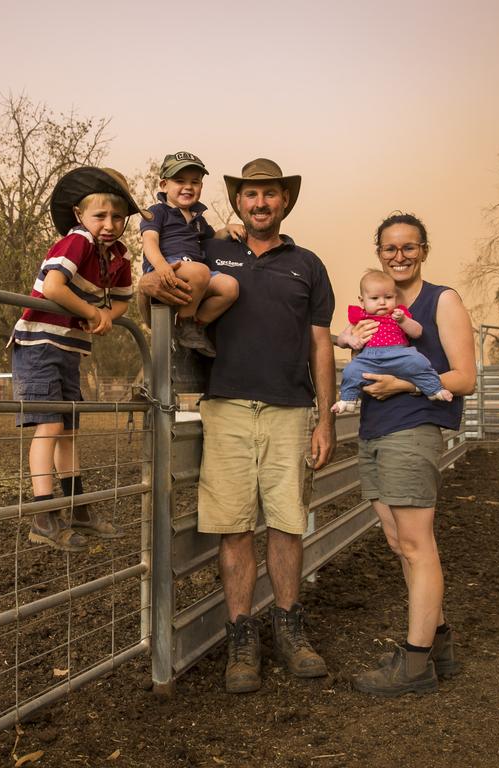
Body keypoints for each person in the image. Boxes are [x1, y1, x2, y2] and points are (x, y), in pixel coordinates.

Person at [140, 158, 337, 693]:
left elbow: (321, 343)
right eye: (250, 195)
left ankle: (290, 630)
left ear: (285, 202)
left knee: (287, 522)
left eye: (270, 195)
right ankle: (241, 638)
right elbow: (166, 272)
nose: (260, 204)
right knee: (232, 526)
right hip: (224, 404)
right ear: (238, 202)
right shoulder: (211, 249)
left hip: (291, 408)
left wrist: (327, 417)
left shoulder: (309, 265)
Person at [346, 212, 476, 697]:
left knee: (418, 544)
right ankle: (438, 644)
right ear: (378, 252)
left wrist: (404, 383)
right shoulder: (374, 305)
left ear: (424, 249)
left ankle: (415, 663)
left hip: (414, 427)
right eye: (390, 248)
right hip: (375, 429)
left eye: (409, 247)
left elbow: (465, 376)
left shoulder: (441, 300)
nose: (399, 256)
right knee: (399, 542)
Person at [10, 166, 149, 552]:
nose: (109, 224)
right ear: (79, 216)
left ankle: (78, 509)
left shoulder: (118, 257)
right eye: (99, 216)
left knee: (69, 430)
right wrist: (92, 314)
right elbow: (54, 286)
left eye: (117, 217)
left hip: (68, 349)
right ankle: (43, 514)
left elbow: (120, 301)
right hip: (39, 344)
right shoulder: (77, 243)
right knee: (50, 427)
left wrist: (107, 315)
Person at [140, 151, 240, 356]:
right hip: (169, 267)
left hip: (196, 272)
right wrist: (160, 265)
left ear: (201, 187)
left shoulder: (198, 219)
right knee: (200, 271)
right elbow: (149, 240)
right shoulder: (157, 212)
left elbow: (212, 238)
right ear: (164, 185)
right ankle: (184, 323)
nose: (188, 187)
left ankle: (194, 325)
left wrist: (227, 230)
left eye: (195, 182)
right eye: (179, 181)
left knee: (230, 287)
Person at [331, 269, 453, 414]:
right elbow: (341, 339)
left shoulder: (397, 314)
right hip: (369, 359)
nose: (382, 303)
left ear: (395, 297)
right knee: (351, 370)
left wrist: (403, 320)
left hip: (399, 354)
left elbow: (417, 332)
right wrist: (350, 339)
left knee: (419, 361)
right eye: (375, 298)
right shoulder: (360, 317)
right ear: (362, 301)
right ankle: (347, 400)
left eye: (388, 297)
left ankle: (435, 389)